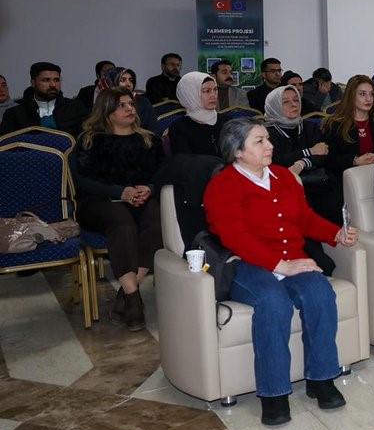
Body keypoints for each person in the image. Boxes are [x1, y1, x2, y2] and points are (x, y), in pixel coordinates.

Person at [204, 117, 358, 426]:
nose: (270, 145)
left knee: (320, 293)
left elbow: (304, 218)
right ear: (237, 151)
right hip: (248, 264)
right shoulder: (223, 185)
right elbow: (235, 237)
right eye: (259, 141)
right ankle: (274, 394)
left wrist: (335, 234)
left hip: (291, 258)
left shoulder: (283, 177)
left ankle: (321, 378)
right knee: (273, 302)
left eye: (268, 139)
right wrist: (281, 266)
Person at [74, 87, 164, 330]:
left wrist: (150, 188)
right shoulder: (90, 140)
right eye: (122, 105)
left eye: (131, 104)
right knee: (121, 222)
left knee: (158, 223)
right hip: (98, 203)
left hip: (141, 200)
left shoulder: (149, 140)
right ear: (107, 111)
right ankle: (134, 300)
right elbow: (82, 181)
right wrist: (119, 192)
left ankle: (127, 293)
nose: (129, 109)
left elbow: (164, 174)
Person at [264, 85, 336, 272]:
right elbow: (276, 161)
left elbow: (324, 154)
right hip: (285, 189)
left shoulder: (310, 126)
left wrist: (300, 164)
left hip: (315, 183)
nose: (293, 105)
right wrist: (309, 152)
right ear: (274, 106)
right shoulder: (267, 133)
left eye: (295, 100)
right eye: (285, 102)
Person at [321, 75, 374, 222]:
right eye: (362, 94)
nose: (368, 98)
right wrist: (354, 161)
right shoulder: (334, 124)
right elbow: (327, 159)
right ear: (351, 96)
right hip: (345, 182)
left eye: (371, 94)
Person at [0, 62, 87, 136]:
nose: (53, 85)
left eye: (56, 80)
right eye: (46, 80)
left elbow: (86, 142)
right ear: (33, 83)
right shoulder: (15, 114)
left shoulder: (75, 108)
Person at [166, 71, 221, 156]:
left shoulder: (227, 121)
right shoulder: (179, 127)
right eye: (207, 91)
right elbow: (185, 162)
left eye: (215, 90)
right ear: (190, 95)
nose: (213, 95)